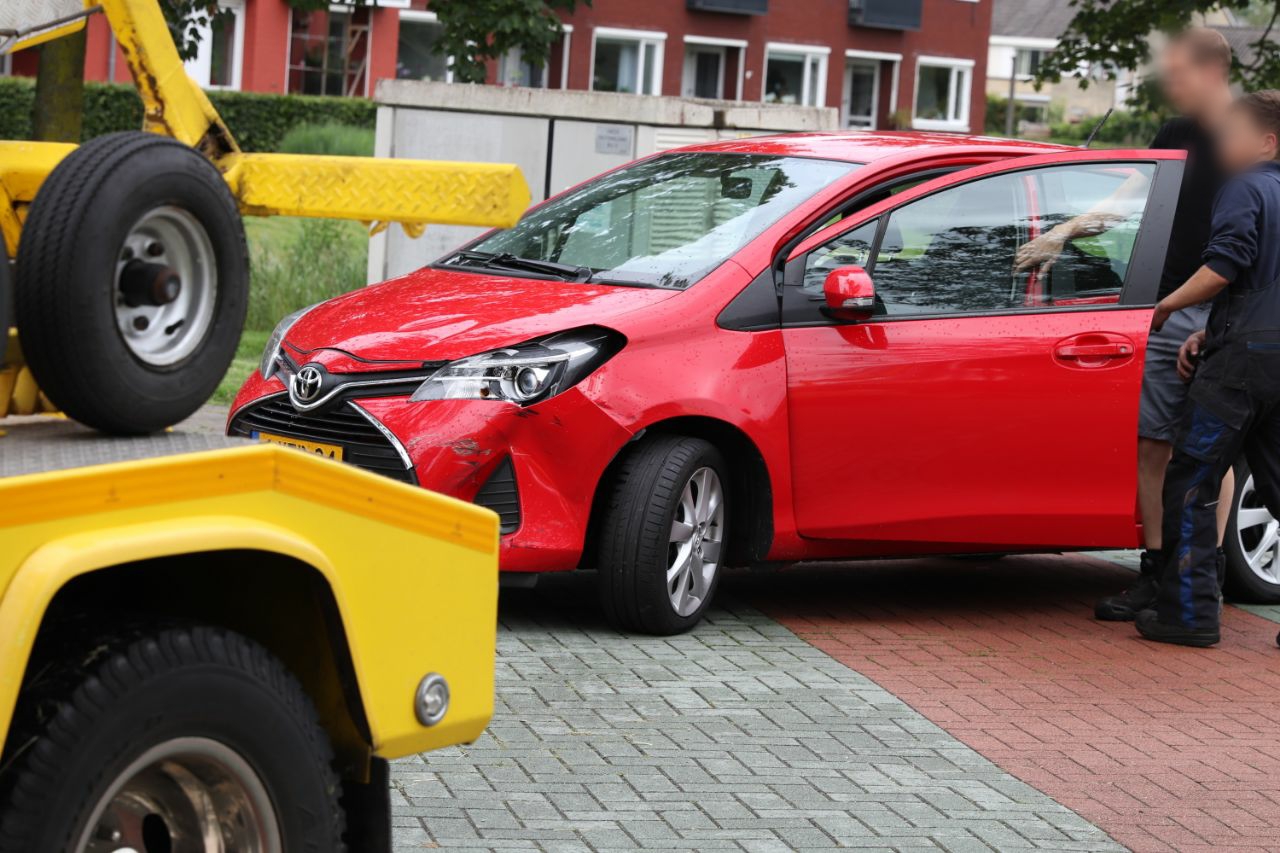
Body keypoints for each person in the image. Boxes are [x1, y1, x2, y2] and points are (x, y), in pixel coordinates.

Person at [1014, 28, 1236, 620]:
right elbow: (1130, 196)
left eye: (1179, 71)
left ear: (1211, 70)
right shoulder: (1177, 133)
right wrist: (1061, 233)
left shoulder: (1254, 133)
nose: (1170, 82)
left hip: (1224, 310)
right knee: (1153, 444)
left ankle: (1201, 579)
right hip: (1165, 308)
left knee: (1217, 451)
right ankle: (1157, 571)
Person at [1138, 90, 1280, 647]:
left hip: (1240, 367)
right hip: (1264, 352)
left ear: (1267, 141)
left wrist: (1168, 306)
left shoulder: (1244, 188)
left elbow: (1225, 264)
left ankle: (1188, 616)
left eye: (1232, 133)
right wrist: (1210, 329)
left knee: (1192, 477)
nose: (1220, 144)